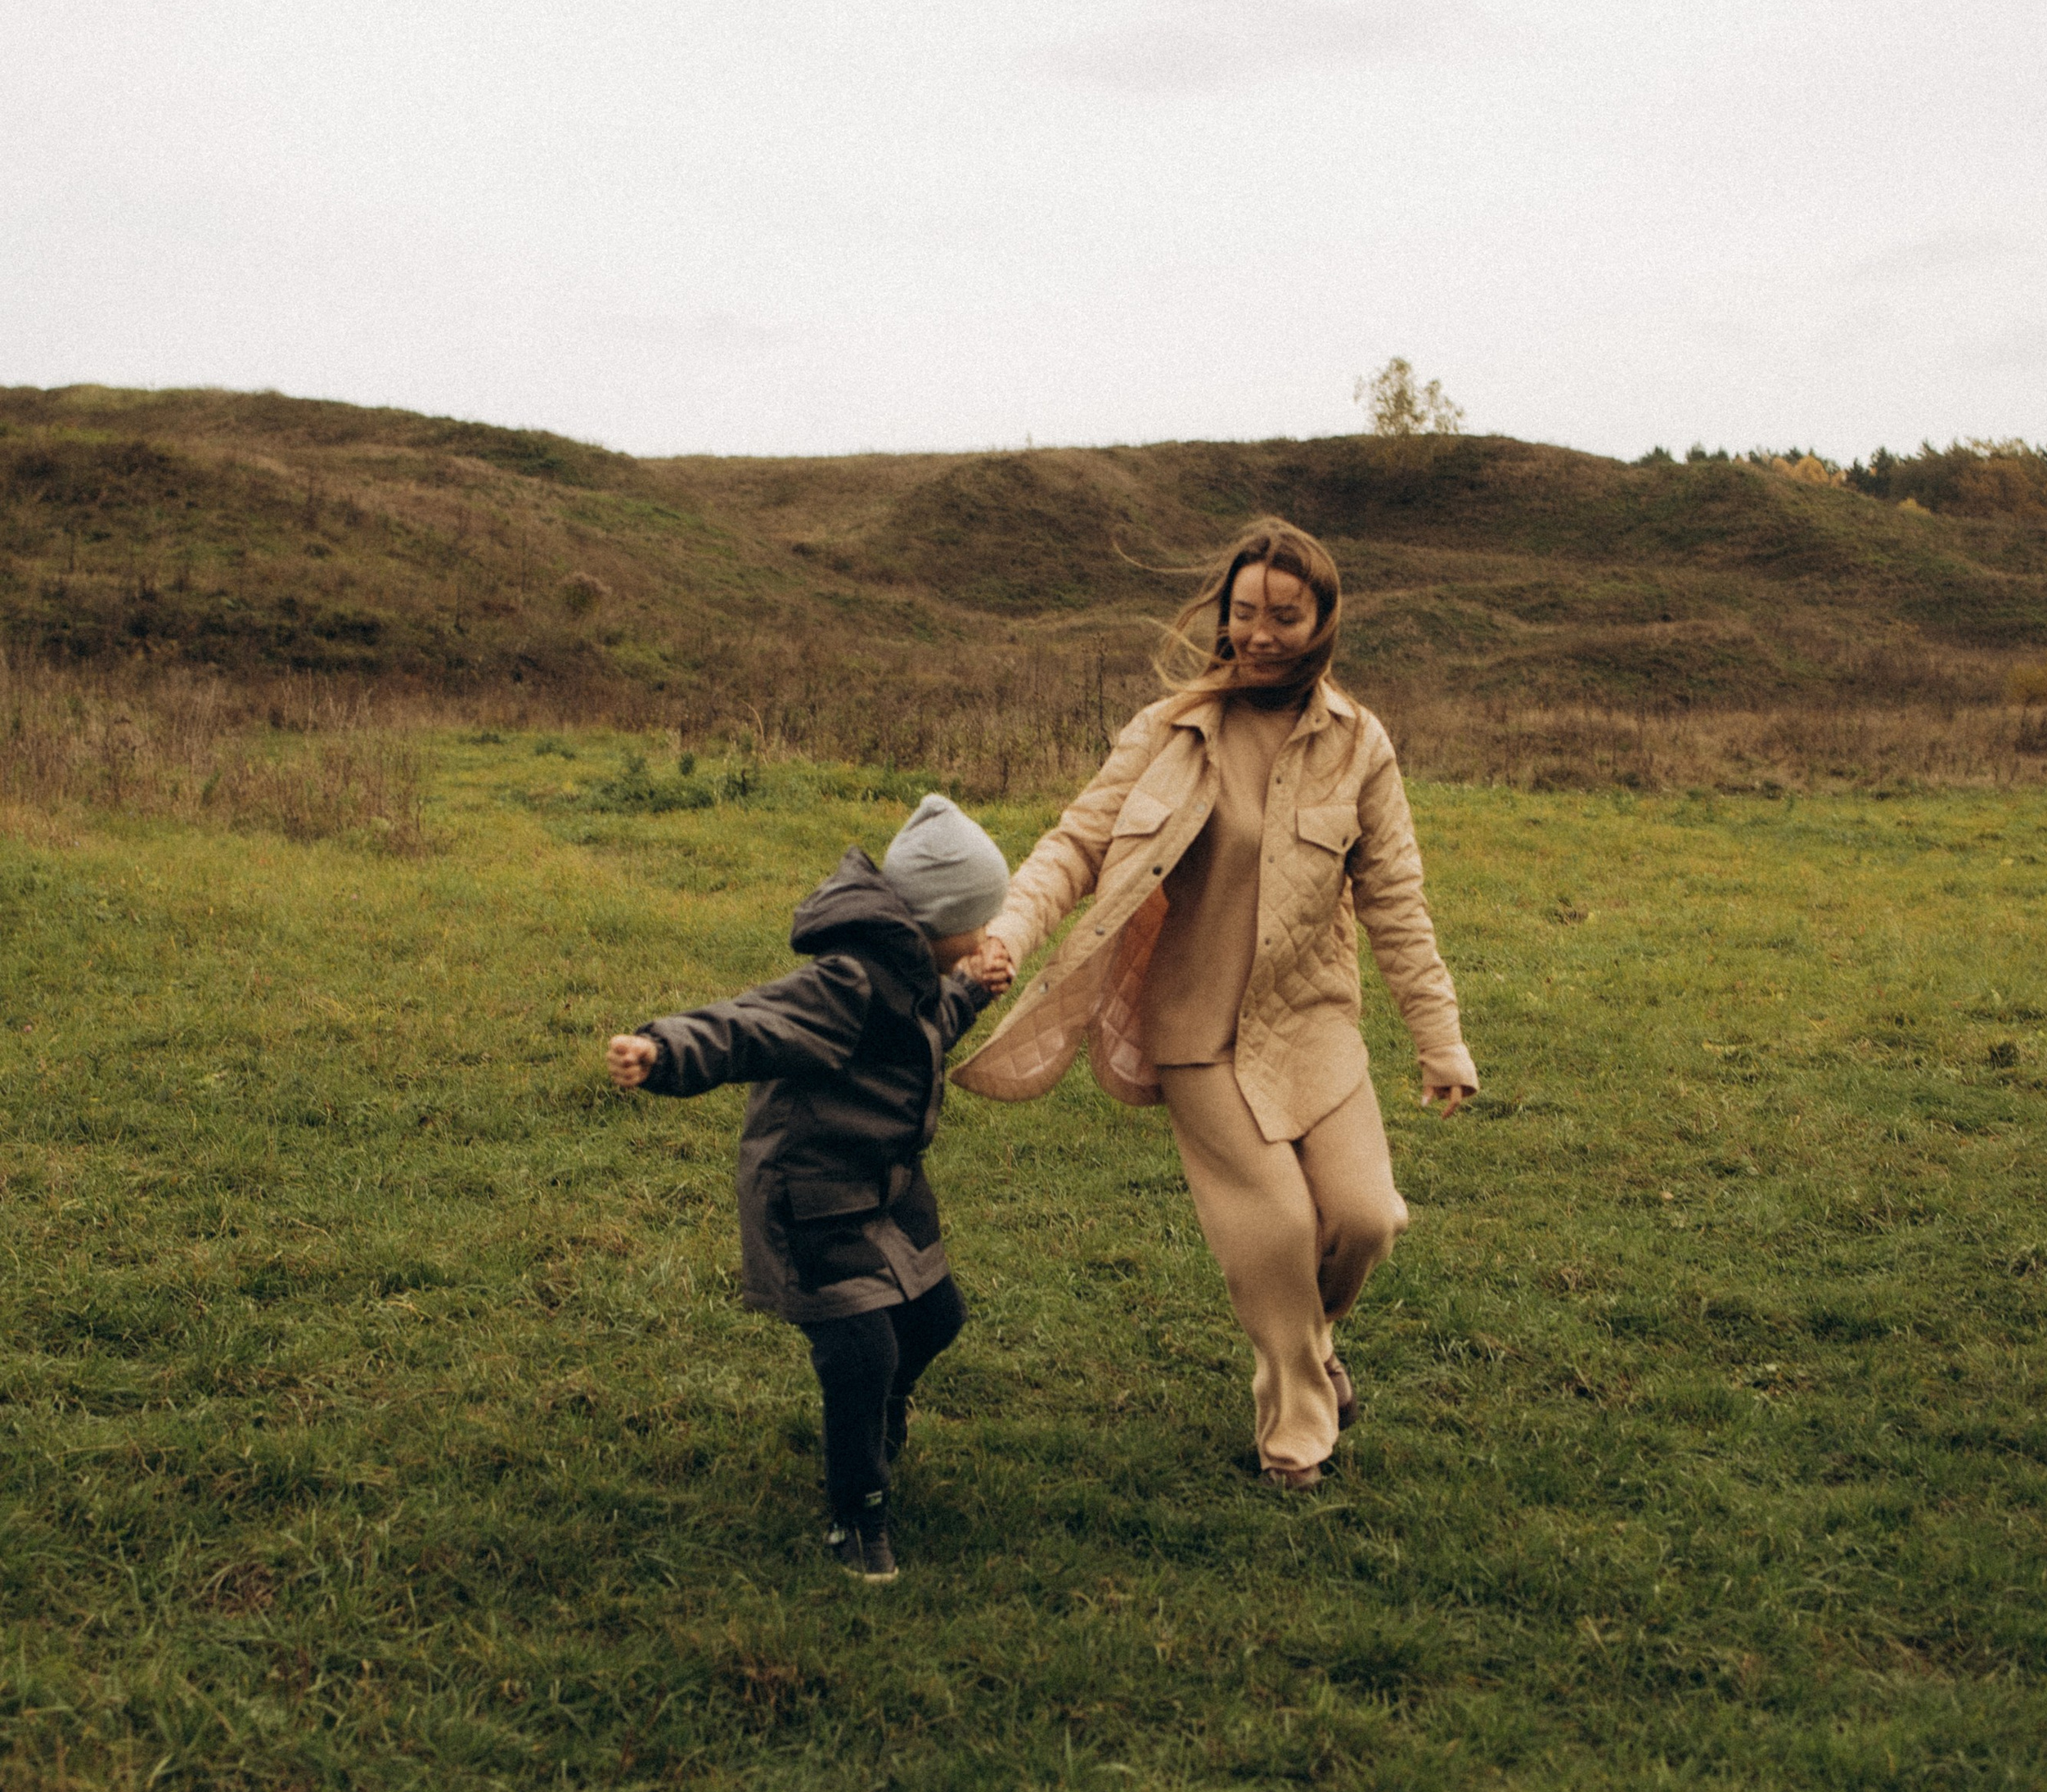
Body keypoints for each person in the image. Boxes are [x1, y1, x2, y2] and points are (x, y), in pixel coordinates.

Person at [956, 520, 1476, 1493]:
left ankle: (1308, 1342)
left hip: (1311, 1020)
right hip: (1196, 1030)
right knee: (1275, 1230)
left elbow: (1397, 899)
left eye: (1285, 615)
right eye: (1245, 613)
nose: (1262, 633)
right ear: (1222, 614)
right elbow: (1075, 844)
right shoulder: (1168, 731)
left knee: (1363, 1219)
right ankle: (1296, 1433)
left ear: (1322, 619)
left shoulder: (1359, 746)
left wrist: (1438, 1042)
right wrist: (1005, 934)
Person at [606, 793, 1011, 1581]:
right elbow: (748, 1023)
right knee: (861, 1349)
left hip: (885, 1186)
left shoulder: (913, 968)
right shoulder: (848, 983)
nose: (986, 935)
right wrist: (662, 1049)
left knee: (935, 1318)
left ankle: (881, 1417)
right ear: (936, 921)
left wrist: (968, 992)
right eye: (977, 924)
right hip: (813, 1194)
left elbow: (920, 1031)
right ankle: (855, 1514)